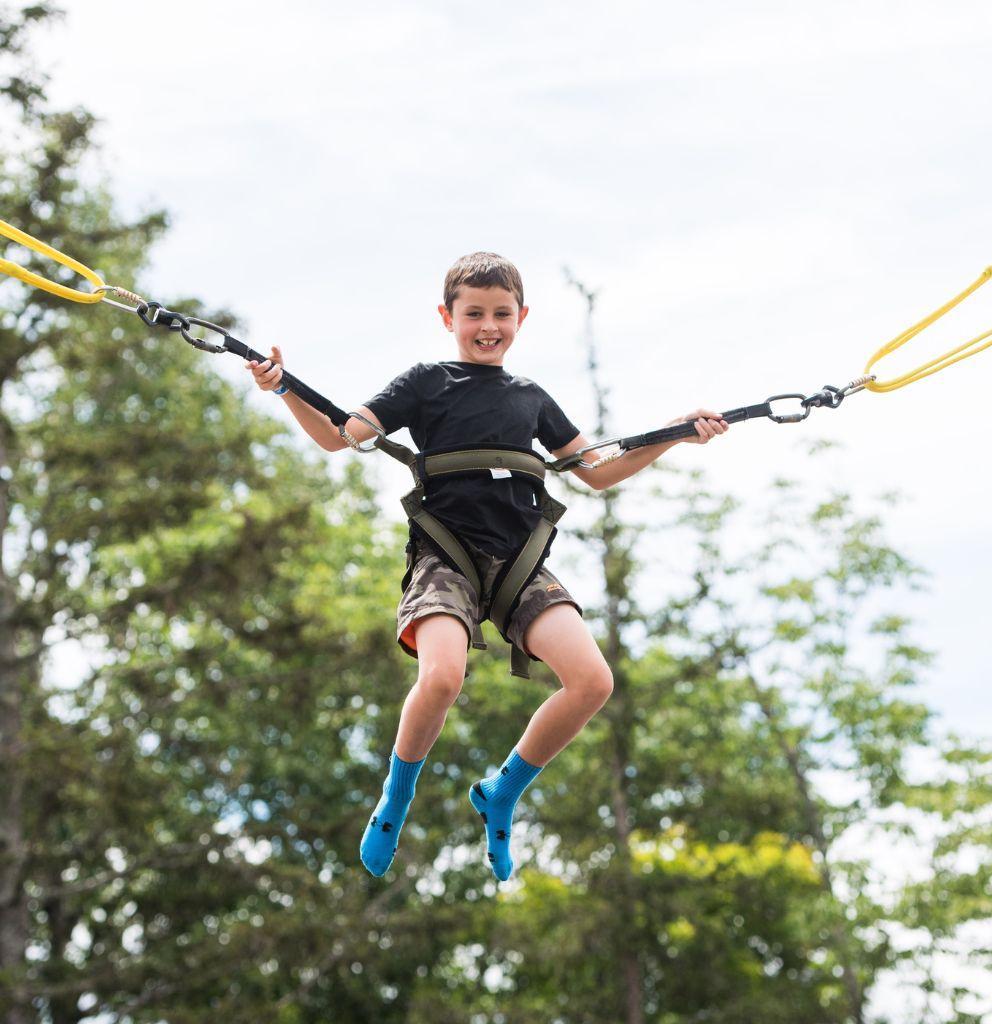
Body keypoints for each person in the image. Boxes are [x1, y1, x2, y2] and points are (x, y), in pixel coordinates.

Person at [247, 252, 728, 882]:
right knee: (442, 677)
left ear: (522, 318)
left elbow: (598, 470)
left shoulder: (531, 399)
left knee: (592, 682)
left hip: (518, 563)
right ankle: (396, 796)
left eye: (502, 314)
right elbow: (340, 435)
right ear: (447, 316)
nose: (488, 326)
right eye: (473, 313)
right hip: (446, 555)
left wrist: (672, 434)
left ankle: (502, 792)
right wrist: (284, 386)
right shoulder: (425, 382)